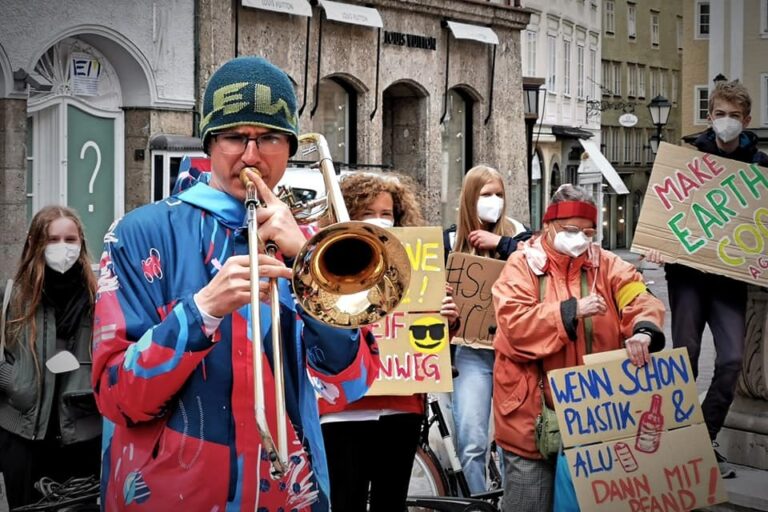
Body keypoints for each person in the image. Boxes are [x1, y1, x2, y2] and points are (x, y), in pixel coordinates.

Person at [91, 56, 379, 511]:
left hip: (290, 496)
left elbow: (350, 380)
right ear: (209, 145)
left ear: (289, 147)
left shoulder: (310, 245)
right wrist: (202, 310)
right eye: (233, 138)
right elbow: (116, 396)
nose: (250, 156)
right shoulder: (137, 234)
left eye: (267, 138)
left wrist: (306, 264)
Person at [492, 184, 666, 511]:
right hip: (532, 422)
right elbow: (515, 327)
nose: (581, 239)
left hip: (596, 422)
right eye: (572, 230)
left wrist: (644, 330)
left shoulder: (608, 265)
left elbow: (638, 296)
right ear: (549, 225)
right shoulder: (521, 266)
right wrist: (570, 311)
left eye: (588, 232)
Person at [645, 80, 768, 479]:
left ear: (747, 120)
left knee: (732, 360)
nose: (726, 122)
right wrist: (656, 245)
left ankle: (704, 436)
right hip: (686, 277)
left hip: (730, 280)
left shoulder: (760, 166)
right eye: (720, 114)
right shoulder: (689, 158)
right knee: (687, 356)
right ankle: (683, 443)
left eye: (734, 116)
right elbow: (662, 214)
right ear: (709, 116)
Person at [318, 171, 460, 511]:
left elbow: (428, 342)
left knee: (390, 503)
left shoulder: (414, 265)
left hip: (401, 404)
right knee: (345, 502)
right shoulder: (327, 266)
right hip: (345, 409)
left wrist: (445, 321)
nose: (381, 221)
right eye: (368, 213)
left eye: (387, 214)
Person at [0, 205, 101, 508]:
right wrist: (13, 379)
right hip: (24, 436)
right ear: (34, 243)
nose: (63, 247)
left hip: (83, 433)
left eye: (70, 239)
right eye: (52, 239)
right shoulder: (14, 297)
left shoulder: (99, 296)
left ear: (81, 243)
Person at [444, 164, 531, 495]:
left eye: (499, 194)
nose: (493, 201)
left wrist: (502, 241)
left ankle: (514, 502)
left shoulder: (520, 234)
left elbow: (540, 260)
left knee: (514, 442)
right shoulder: (450, 239)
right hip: (470, 355)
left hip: (513, 352)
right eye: (485, 195)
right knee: (471, 440)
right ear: (470, 198)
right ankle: (478, 501)